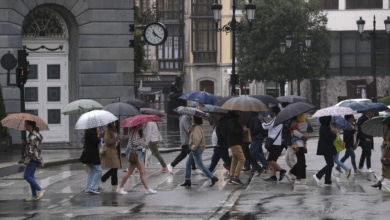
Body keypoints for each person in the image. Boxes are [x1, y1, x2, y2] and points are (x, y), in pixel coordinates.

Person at [117, 124, 157, 195]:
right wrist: (143, 141)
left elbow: (135, 143)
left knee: (142, 171)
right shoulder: (134, 132)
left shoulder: (135, 132)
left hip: (138, 153)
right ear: (137, 125)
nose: (142, 126)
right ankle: (120, 187)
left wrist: (143, 141)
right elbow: (135, 143)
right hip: (134, 154)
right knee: (129, 172)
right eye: (141, 125)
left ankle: (147, 188)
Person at [180, 116, 219, 187]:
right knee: (188, 163)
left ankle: (213, 177)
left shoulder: (197, 128)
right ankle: (187, 180)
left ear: (195, 119)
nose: (192, 118)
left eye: (193, 118)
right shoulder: (196, 126)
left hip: (196, 149)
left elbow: (197, 140)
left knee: (200, 165)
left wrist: (192, 147)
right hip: (196, 148)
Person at [259, 106, 286, 182]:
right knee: (273, 160)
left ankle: (281, 170)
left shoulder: (276, 120)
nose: (270, 113)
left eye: (271, 111)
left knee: (270, 160)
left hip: (274, 142)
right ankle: (273, 176)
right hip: (276, 142)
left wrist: (261, 121)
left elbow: (266, 126)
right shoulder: (278, 120)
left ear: (274, 112)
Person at [23, 120, 45, 201]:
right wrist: (25, 143)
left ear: (30, 125)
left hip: (33, 158)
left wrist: (27, 159)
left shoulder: (33, 136)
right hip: (35, 158)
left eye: (25, 124)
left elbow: (31, 150)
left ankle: (40, 189)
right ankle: (34, 195)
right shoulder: (32, 134)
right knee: (30, 176)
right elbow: (32, 147)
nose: (24, 126)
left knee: (26, 175)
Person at [313, 116, 337, 186]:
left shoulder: (326, 127)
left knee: (329, 163)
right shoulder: (324, 128)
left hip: (328, 148)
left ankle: (327, 180)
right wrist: (334, 133)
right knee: (330, 164)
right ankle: (318, 175)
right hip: (326, 149)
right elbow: (330, 138)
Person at [285, 116, 309, 184]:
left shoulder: (298, 122)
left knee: (301, 161)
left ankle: (293, 175)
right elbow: (295, 132)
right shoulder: (294, 122)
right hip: (297, 144)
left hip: (300, 144)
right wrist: (303, 135)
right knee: (301, 161)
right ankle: (296, 177)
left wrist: (305, 134)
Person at [79, 127, 103, 194]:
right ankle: (93, 187)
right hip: (92, 155)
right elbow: (95, 142)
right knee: (99, 170)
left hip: (89, 155)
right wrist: (98, 135)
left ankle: (88, 188)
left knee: (91, 172)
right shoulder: (91, 132)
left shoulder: (89, 131)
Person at [100, 121, 121, 192]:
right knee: (115, 167)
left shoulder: (116, 130)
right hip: (110, 151)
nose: (114, 124)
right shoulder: (108, 130)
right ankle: (102, 179)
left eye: (115, 123)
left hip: (115, 150)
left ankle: (114, 186)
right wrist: (116, 139)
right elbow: (106, 141)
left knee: (115, 168)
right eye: (112, 123)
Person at [227, 110, 246, 184]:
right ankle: (236, 176)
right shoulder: (232, 120)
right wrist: (242, 129)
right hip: (235, 142)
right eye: (239, 112)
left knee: (234, 159)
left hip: (234, 143)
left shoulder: (232, 120)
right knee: (242, 159)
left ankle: (232, 176)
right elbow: (233, 131)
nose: (240, 113)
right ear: (234, 112)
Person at [371, 117, 390, 189]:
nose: (384, 126)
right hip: (386, 154)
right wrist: (384, 138)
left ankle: (379, 182)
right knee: (385, 169)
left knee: (386, 169)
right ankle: (379, 182)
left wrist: (386, 142)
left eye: (384, 124)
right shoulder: (387, 131)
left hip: (388, 154)